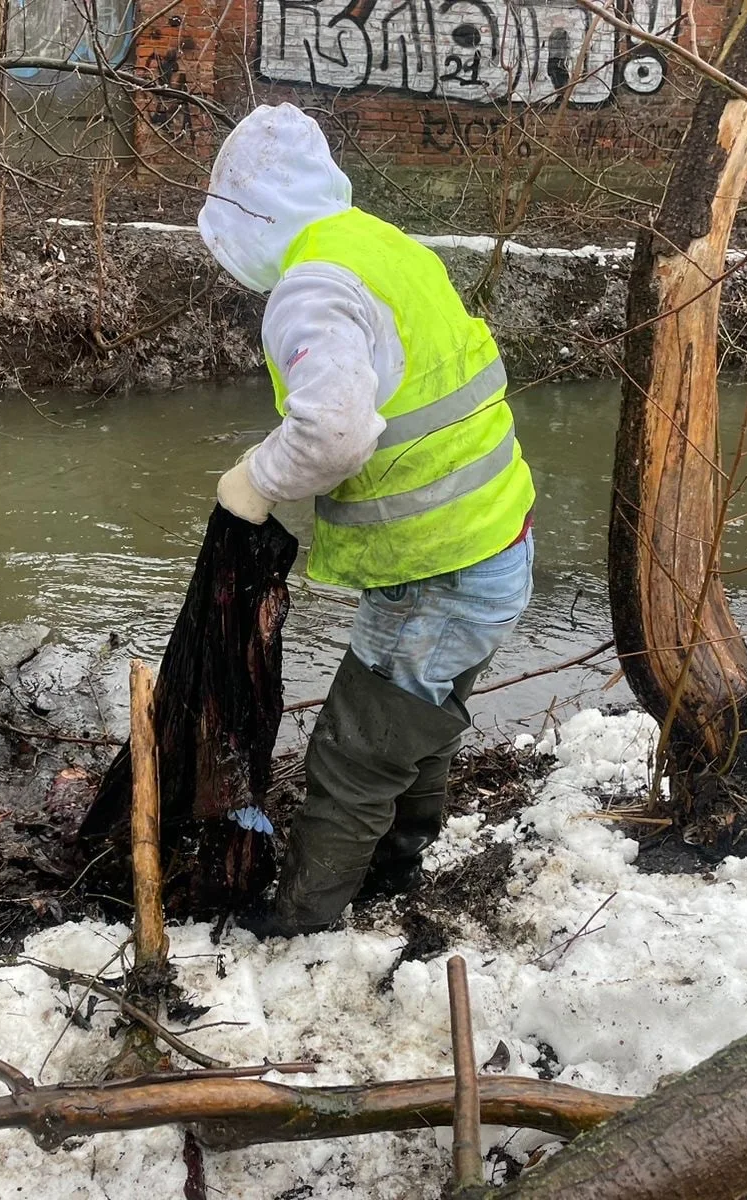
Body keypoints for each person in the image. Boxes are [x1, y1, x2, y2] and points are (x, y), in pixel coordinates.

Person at [197, 103, 536, 936]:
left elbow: (334, 430)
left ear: (251, 215)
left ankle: (304, 920)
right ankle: (398, 864)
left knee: (356, 749)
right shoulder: (382, 246)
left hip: (437, 568)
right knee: (422, 713)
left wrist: (257, 479)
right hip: (495, 540)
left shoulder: (312, 287)